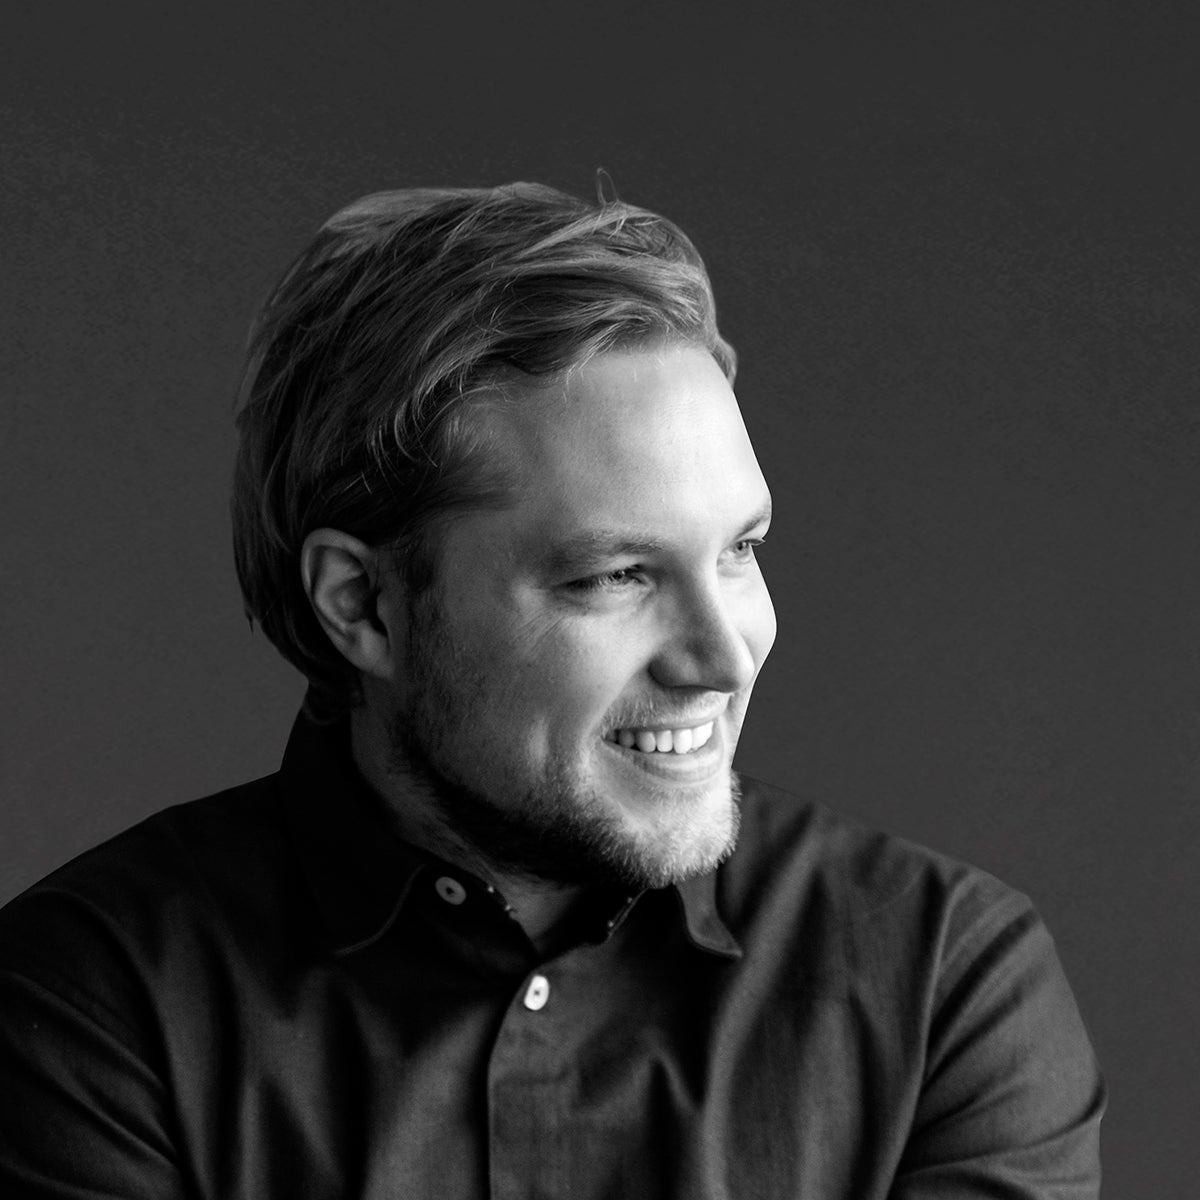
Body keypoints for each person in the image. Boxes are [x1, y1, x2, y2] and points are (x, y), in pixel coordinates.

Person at [0, 182, 1104, 1198]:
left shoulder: (944, 982)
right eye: (616, 576)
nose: (725, 657)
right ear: (363, 604)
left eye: (739, 550)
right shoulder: (91, 1005)